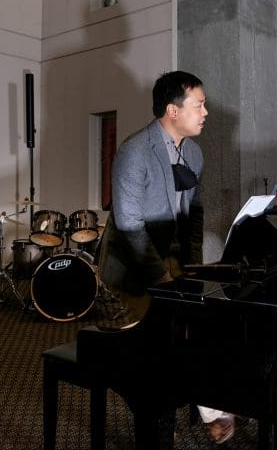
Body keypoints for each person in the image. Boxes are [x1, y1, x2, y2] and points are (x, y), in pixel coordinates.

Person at [97, 70, 238, 444]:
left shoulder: (194, 152)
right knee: (157, 348)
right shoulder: (135, 151)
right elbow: (128, 225)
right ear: (173, 111)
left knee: (205, 324)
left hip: (172, 262)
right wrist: (160, 279)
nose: (206, 111)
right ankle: (166, 420)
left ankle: (206, 406)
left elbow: (195, 214)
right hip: (129, 270)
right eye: (199, 104)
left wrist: (193, 268)